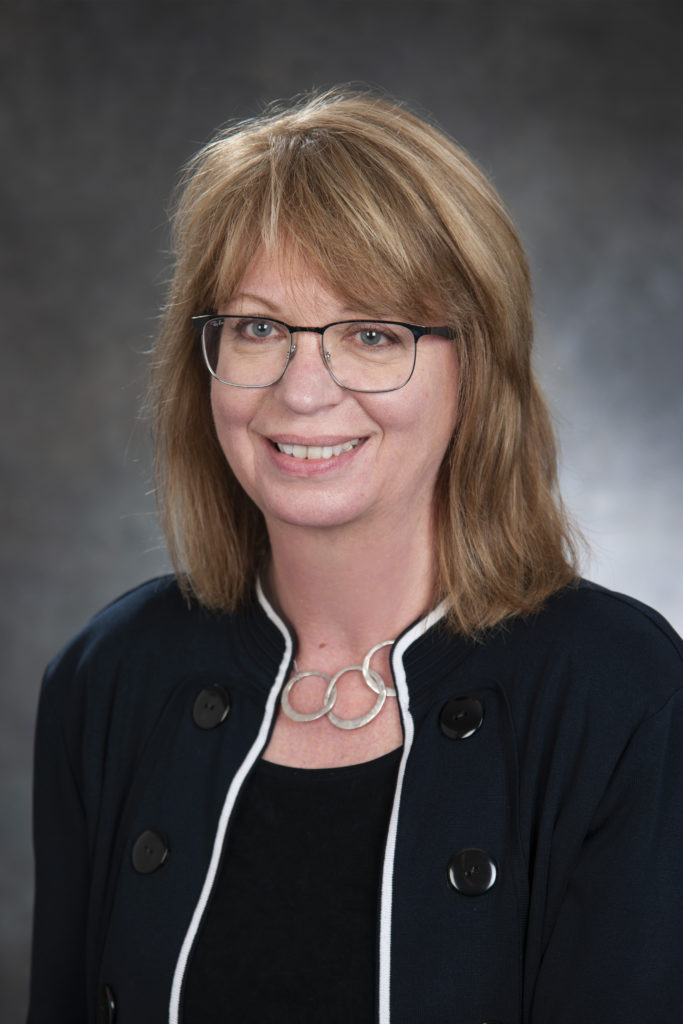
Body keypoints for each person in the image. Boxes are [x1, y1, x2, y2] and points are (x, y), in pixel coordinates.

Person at [28, 87, 683, 1024]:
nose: (303, 391)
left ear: (477, 369)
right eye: (258, 328)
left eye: (372, 334)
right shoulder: (110, 678)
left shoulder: (622, 694)